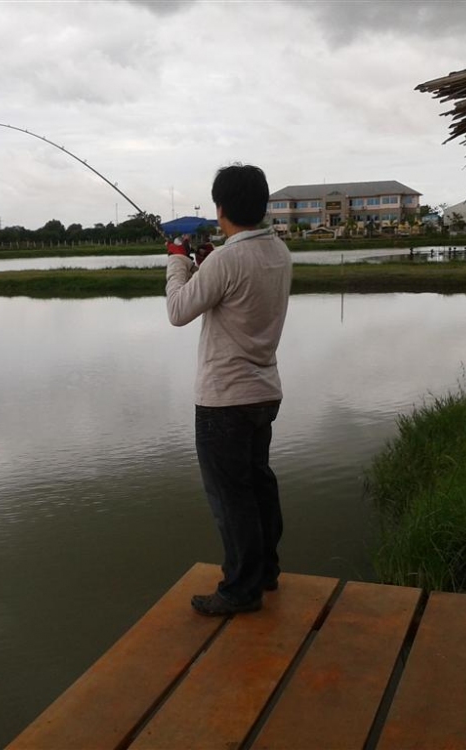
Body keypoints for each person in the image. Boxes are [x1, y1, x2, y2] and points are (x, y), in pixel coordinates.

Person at [165, 164, 292, 616]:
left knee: (230, 497)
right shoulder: (278, 251)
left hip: (224, 401)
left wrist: (178, 261)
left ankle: (240, 588)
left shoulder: (225, 260)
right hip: (263, 393)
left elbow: (179, 310)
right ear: (261, 205)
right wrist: (203, 264)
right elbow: (237, 292)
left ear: (220, 208)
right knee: (258, 484)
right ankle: (267, 571)